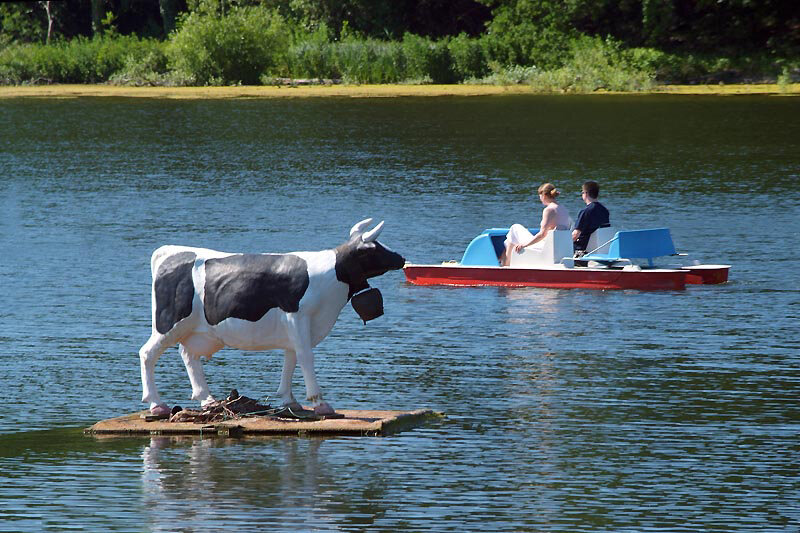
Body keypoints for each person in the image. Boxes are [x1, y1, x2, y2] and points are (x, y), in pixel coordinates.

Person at [500, 183, 570, 266]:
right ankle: (505, 263)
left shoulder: (549, 210)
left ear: (544, 195)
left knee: (514, 228)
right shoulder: (563, 209)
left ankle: (506, 266)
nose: (540, 198)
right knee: (510, 239)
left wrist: (524, 245)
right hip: (559, 248)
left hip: (545, 247)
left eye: (540, 195)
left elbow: (542, 234)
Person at [572, 180, 610, 255]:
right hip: (600, 247)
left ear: (586, 193)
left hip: (582, 250)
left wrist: (565, 242)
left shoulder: (585, 212)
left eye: (582, 192)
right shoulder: (605, 210)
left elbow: (576, 234)